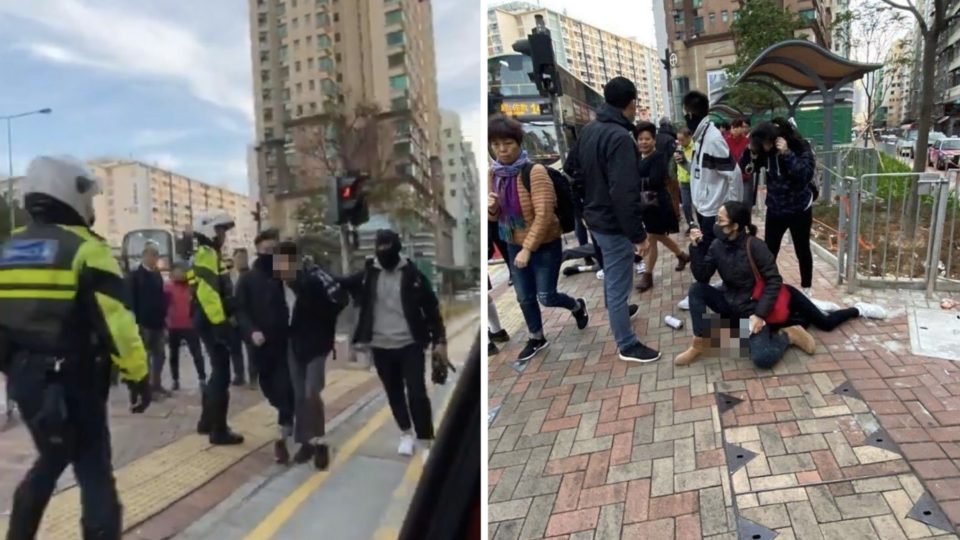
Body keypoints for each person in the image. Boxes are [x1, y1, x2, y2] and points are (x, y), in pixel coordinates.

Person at [0, 156, 151, 539]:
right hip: (76, 381)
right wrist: (138, 374)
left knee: (51, 458)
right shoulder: (86, 249)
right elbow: (118, 324)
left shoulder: (8, 250)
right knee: (93, 469)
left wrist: (16, 370)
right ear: (71, 191)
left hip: (27, 385)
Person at [675, 201, 887, 368]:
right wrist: (696, 248)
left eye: (720, 220)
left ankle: (855, 311)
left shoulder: (755, 246)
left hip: (761, 305)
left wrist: (759, 315)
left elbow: (774, 281)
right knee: (697, 291)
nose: (715, 224)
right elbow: (702, 277)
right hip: (734, 304)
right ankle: (699, 343)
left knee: (768, 355)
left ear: (735, 226)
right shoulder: (716, 245)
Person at [487, 114, 589, 362]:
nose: (502, 149)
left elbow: (544, 215)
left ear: (518, 143)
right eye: (496, 144)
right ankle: (537, 337)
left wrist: (527, 249)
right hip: (513, 242)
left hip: (544, 244)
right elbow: (495, 217)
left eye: (507, 143)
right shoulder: (494, 174)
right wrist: (492, 208)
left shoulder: (535, 172)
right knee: (524, 296)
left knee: (546, 296)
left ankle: (577, 306)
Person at [340, 229, 448, 462]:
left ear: (397, 249)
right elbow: (342, 284)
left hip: (410, 344)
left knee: (417, 393)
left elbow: (431, 309)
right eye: (380, 250)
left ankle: (425, 440)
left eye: (388, 249)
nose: (384, 255)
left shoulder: (413, 275)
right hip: (380, 346)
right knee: (394, 391)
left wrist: (440, 340)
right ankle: (406, 433)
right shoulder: (368, 275)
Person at [573, 76, 660, 363]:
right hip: (613, 223)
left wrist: (585, 209)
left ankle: (618, 311)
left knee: (613, 275)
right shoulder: (620, 137)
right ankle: (627, 344)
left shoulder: (589, 130)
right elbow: (624, 192)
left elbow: (573, 171)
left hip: (596, 218)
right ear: (632, 103)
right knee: (618, 281)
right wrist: (638, 235)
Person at [235, 229, 296, 464]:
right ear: (258, 250)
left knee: (285, 387)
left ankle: (284, 434)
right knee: (270, 388)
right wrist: (252, 331)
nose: (271, 254)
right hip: (261, 346)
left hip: (286, 342)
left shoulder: (284, 273)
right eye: (266, 250)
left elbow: (301, 291)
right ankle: (287, 417)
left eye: (274, 249)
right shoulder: (247, 279)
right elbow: (241, 310)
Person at [189, 211, 244, 446]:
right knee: (222, 375)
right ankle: (218, 430)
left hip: (206, 319)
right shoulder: (207, 254)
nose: (223, 235)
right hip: (211, 320)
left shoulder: (207, 254)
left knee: (217, 372)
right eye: (220, 230)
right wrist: (220, 324)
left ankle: (207, 422)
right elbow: (208, 293)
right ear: (209, 231)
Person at [745, 120, 817, 295]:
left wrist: (787, 153)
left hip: (799, 208)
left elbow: (804, 175)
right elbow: (746, 169)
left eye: (766, 143)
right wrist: (751, 153)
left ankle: (806, 288)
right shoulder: (765, 151)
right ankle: (767, 286)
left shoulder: (799, 147)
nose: (765, 147)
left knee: (802, 249)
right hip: (776, 209)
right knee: (770, 251)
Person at [633, 122, 689, 293]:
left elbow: (655, 180)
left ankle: (648, 275)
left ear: (654, 140)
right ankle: (681, 255)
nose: (644, 142)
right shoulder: (638, 157)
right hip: (645, 204)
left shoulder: (658, 157)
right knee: (658, 236)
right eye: (640, 139)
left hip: (657, 204)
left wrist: (634, 182)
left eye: (647, 139)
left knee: (651, 237)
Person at [683, 91, 742, 249]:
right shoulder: (700, 137)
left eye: (685, 114)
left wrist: (732, 209)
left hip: (713, 209)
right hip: (704, 206)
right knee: (710, 250)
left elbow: (734, 174)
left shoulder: (713, 139)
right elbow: (701, 172)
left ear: (690, 114)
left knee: (712, 252)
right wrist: (684, 164)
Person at [128, 242, 170, 397]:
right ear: (144, 256)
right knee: (144, 357)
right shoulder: (135, 275)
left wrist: (165, 317)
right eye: (152, 255)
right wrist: (135, 321)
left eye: (156, 255)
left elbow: (162, 297)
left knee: (160, 355)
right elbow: (131, 299)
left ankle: (156, 384)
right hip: (143, 323)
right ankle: (145, 389)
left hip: (158, 322)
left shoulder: (157, 275)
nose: (154, 259)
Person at [165, 262, 206, 391]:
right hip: (173, 326)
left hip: (190, 325)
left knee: (197, 353)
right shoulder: (167, 287)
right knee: (173, 355)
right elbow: (163, 305)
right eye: (177, 271)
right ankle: (175, 379)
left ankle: (202, 378)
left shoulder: (192, 286)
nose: (180, 274)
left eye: (182, 271)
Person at [228, 248, 254, 387]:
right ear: (234, 260)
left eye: (244, 258)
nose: (241, 261)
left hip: (248, 316)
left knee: (251, 349)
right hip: (232, 317)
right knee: (235, 348)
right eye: (238, 258)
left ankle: (253, 377)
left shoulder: (252, 276)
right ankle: (239, 375)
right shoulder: (229, 276)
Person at [675, 127, 696, 229]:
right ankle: (691, 225)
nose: (680, 142)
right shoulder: (679, 149)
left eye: (682, 140)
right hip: (683, 182)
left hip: (695, 182)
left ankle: (701, 224)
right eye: (678, 140)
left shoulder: (696, 148)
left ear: (689, 137)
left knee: (697, 206)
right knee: (686, 205)